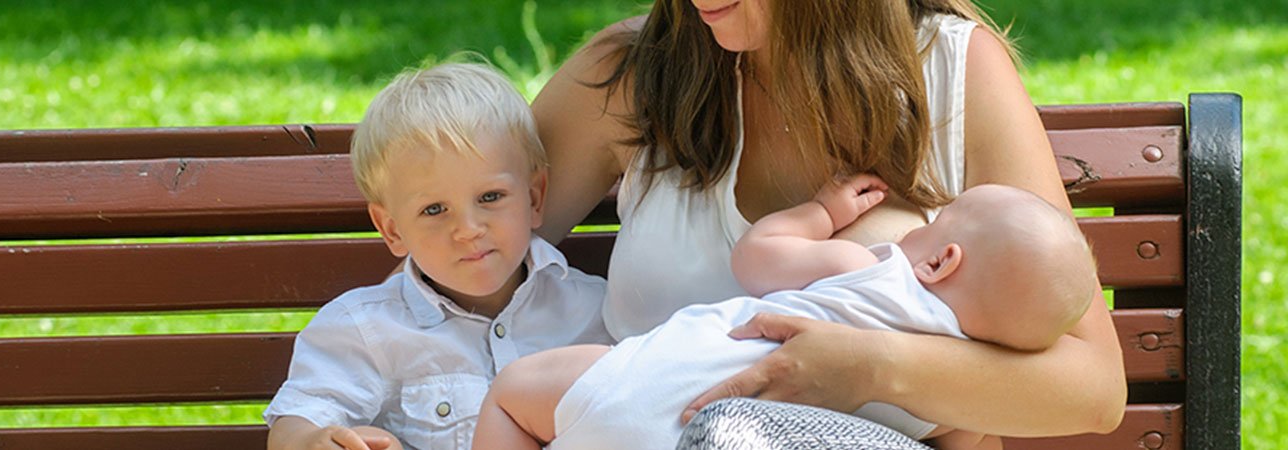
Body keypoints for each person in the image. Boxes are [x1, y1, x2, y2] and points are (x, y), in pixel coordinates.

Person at [529, 0, 1126, 440]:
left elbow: (1093, 390)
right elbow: (455, 257)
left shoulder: (953, 69)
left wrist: (867, 367)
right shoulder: (637, 76)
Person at [471, 178, 1099, 450]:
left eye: (936, 224)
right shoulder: (950, 398)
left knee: (509, 395)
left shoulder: (874, 272)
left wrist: (823, 213)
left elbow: (758, 257)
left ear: (941, 261)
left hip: (640, 389)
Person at [263, 62, 614, 450]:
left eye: (490, 197)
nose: (468, 229)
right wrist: (315, 441)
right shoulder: (364, 330)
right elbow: (297, 423)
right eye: (434, 210)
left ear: (534, 198)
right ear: (392, 229)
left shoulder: (598, 313)